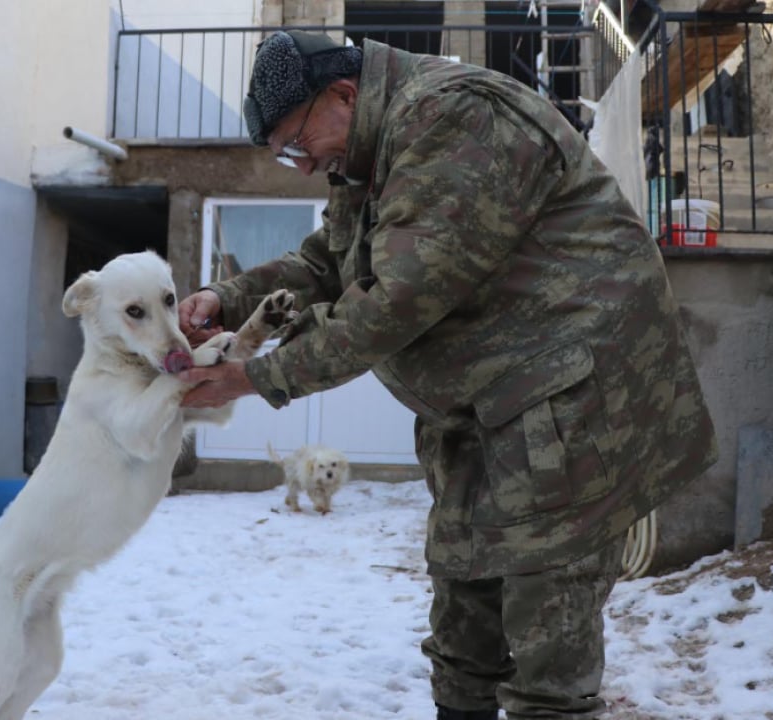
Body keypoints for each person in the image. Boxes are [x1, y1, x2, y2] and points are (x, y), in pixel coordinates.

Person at [177, 30, 717, 720]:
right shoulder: (370, 153)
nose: (301, 165)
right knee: (464, 621)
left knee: (544, 636)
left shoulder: (455, 118)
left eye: (295, 144)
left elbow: (396, 301)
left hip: (570, 402)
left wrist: (257, 377)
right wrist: (230, 298)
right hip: (486, 409)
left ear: (343, 94)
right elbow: (329, 263)